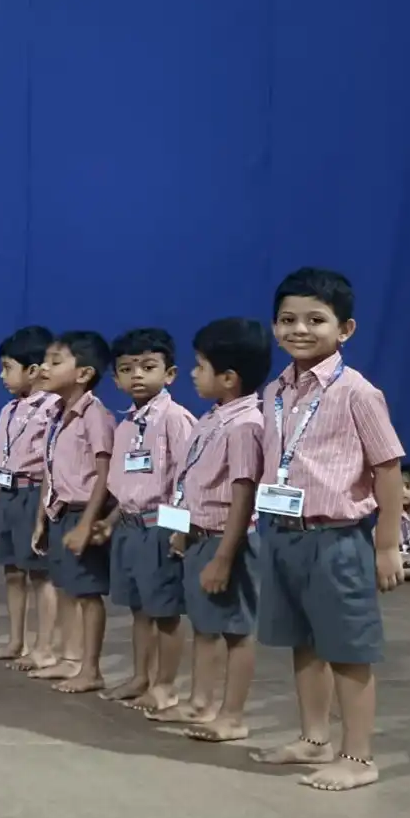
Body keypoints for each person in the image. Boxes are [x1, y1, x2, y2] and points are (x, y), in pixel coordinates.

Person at [250, 267, 404, 791]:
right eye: (287, 319)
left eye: (316, 320)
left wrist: (387, 544)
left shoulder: (356, 392)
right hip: (284, 532)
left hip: (336, 537)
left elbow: (387, 468)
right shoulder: (275, 391)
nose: (300, 329)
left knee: (348, 648)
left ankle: (358, 757)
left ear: (345, 329)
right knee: (304, 641)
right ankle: (313, 738)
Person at [154, 317, 270, 741]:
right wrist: (181, 529)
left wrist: (224, 557)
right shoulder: (212, 418)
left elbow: (243, 495)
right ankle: (200, 702)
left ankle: (232, 714)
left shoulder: (245, 425)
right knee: (204, 625)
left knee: (237, 631)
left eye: (200, 366)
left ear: (229, 377)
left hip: (227, 541)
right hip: (198, 535)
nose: (192, 373)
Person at [94, 328, 197, 711]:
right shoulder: (126, 425)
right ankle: (141, 677)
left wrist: (180, 531)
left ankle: (165, 686)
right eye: (126, 369)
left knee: (165, 611)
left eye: (148, 367)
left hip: (162, 526)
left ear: (169, 374)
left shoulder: (175, 419)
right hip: (130, 527)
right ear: (116, 379)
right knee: (139, 608)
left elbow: (188, 479)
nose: (137, 375)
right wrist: (110, 520)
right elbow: (127, 485)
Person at [31, 331, 115, 693]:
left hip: (83, 513)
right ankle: (68, 658)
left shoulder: (95, 415)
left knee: (88, 594)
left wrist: (87, 523)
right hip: (60, 512)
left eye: (55, 362)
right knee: (66, 587)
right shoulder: (55, 413)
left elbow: (104, 474)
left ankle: (90, 668)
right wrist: (42, 518)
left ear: (83, 373)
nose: (44, 368)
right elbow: (50, 469)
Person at [0, 326, 60, 666]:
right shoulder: (8, 410)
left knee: (40, 573)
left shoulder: (54, 408)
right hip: (8, 494)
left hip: (34, 493)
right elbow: (0, 460)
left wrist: (43, 512)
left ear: (33, 370)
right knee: (12, 571)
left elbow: (52, 464)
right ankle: (16, 641)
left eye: (7, 367)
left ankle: (45, 647)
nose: (2, 376)